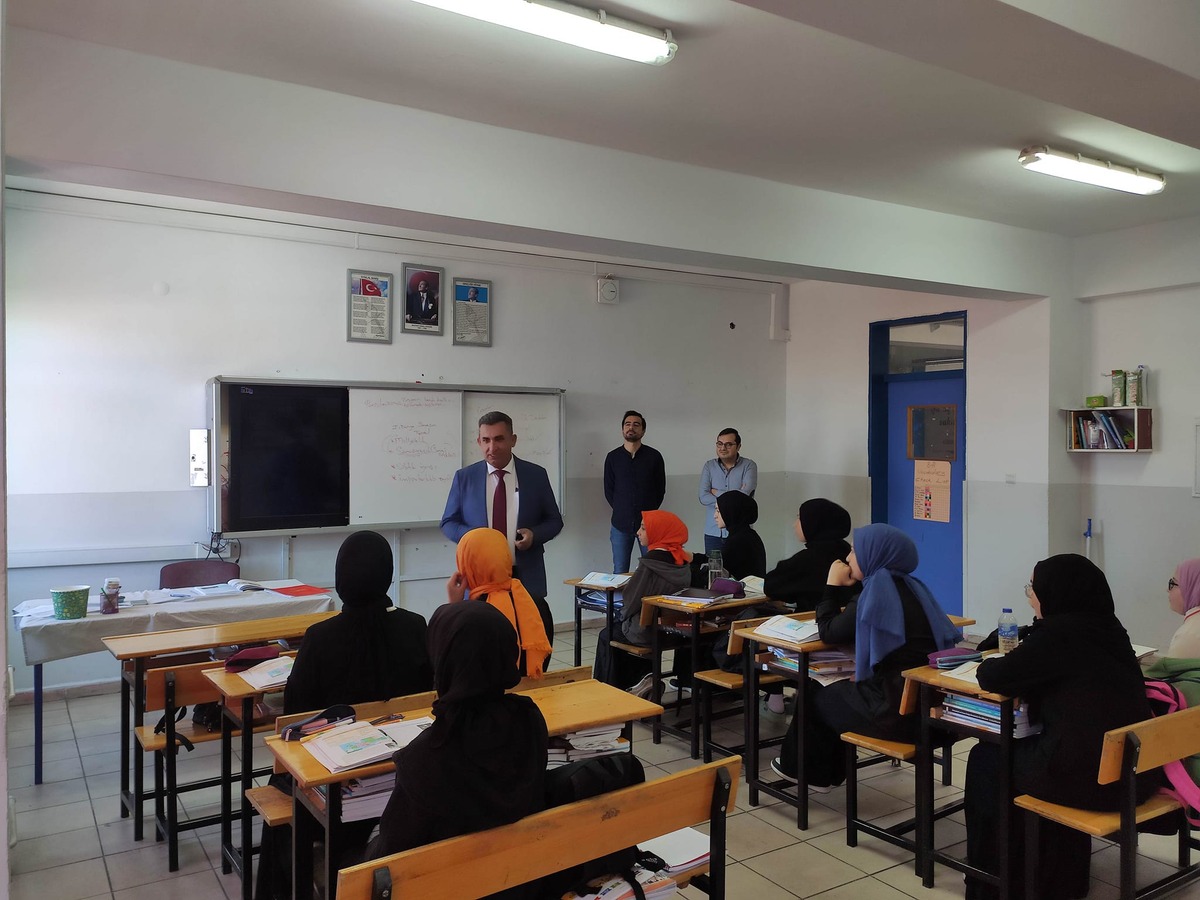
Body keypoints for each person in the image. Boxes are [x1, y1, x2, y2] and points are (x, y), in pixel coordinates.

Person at [964, 554, 1157, 900]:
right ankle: (1062, 878)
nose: (1030, 598)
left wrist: (1008, 650)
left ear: (1054, 592)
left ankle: (996, 883)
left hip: (1089, 781)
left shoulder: (1058, 636)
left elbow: (993, 676)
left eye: (1033, 589)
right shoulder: (1110, 628)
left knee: (987, 759)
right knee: (1035, 747)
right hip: (1132, 776)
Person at [257, 530, 434, 900]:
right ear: (388, 575)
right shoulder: (416, 626)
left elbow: (295, 722)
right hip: (405, 775)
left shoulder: (320, 638)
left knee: (279, 784)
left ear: (340, 579)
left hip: (334, 786)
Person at [366, 601, 548, 900]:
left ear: (443, 659)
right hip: (520, 881)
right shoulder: (529, 719)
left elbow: (389, 853)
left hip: (445, 887)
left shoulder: (428, 754)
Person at [772, 523, 959, 789]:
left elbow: (828, 632)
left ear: (874, 555)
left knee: (815, 693)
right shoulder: (914, 589)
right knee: (836, 690)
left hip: (895, 714)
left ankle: (805, 772)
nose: (848, 558)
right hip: (928, 707)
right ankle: (825, 772)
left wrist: (831, 586)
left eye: (854, 551)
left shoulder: (875, 594)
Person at [441, 411, 564, 650]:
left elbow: (554, 521)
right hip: (480, 579)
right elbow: (448, 522)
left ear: (513, 440)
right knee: (482, 644)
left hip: (524, 574)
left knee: (527, 644)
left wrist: (534, 535)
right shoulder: (465, 478)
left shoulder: (536, 475)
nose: (492, 447)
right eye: (486, 440)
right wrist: (475, 539)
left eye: (499, 439)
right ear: (478, 441)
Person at [592, 510, 693, 690]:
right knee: (622, 628)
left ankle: (609, 690)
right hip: (675, 632)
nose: (638, 532)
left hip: (647, 633)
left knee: (607, 634)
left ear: (658, 532)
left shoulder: (650, 563)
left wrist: (622, 615)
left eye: (644, 528)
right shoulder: (682, 561)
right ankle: (642, 681)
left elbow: (631, 600)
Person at [446, 527, 553, 678]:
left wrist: (453, 608)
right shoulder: (537, 604)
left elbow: (450, 668)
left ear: (465, 564)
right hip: (533, 689)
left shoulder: (468, 616)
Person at [603, 410, 666, 574]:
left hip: (648, 525)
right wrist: (622, 508)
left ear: (643, 431)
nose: (631, 427)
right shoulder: (613, 457)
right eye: (627, 424)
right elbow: (609, 490)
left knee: (652, 570)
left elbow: (660, 490)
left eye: (636, 425)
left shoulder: (654, 457)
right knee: (620, 571)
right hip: (620, 524)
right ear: (622, 429)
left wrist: (648, 514)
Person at [764, 498, 853, 612]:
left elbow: (771, 586)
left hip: (813, 619)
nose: (794, 525)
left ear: (814, 522)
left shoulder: (808, 559)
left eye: (799, 518)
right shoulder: (849, 552)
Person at [698, 427, 757, 554]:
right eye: (719, 444)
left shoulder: (749, 466)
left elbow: (744, 497)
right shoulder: (709, 466)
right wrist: (732, 500)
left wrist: (716, 492)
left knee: (740, 566)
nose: (723, 448)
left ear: (738, 446)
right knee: (713, 565)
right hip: (713, 532)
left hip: (740, 532)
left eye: (728, 444)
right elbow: (703, 497)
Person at [713, 490, 765, 579]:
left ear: (731, 511)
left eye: (718, 511)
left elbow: (718, 565)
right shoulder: (749, 535)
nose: (715, 516)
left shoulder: (737, 541)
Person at [1163, 558, 1200, 658]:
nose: (1167, 590)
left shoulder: (1189, 635)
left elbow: (1173, 667)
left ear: (1194, 587)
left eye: (1172, 583)